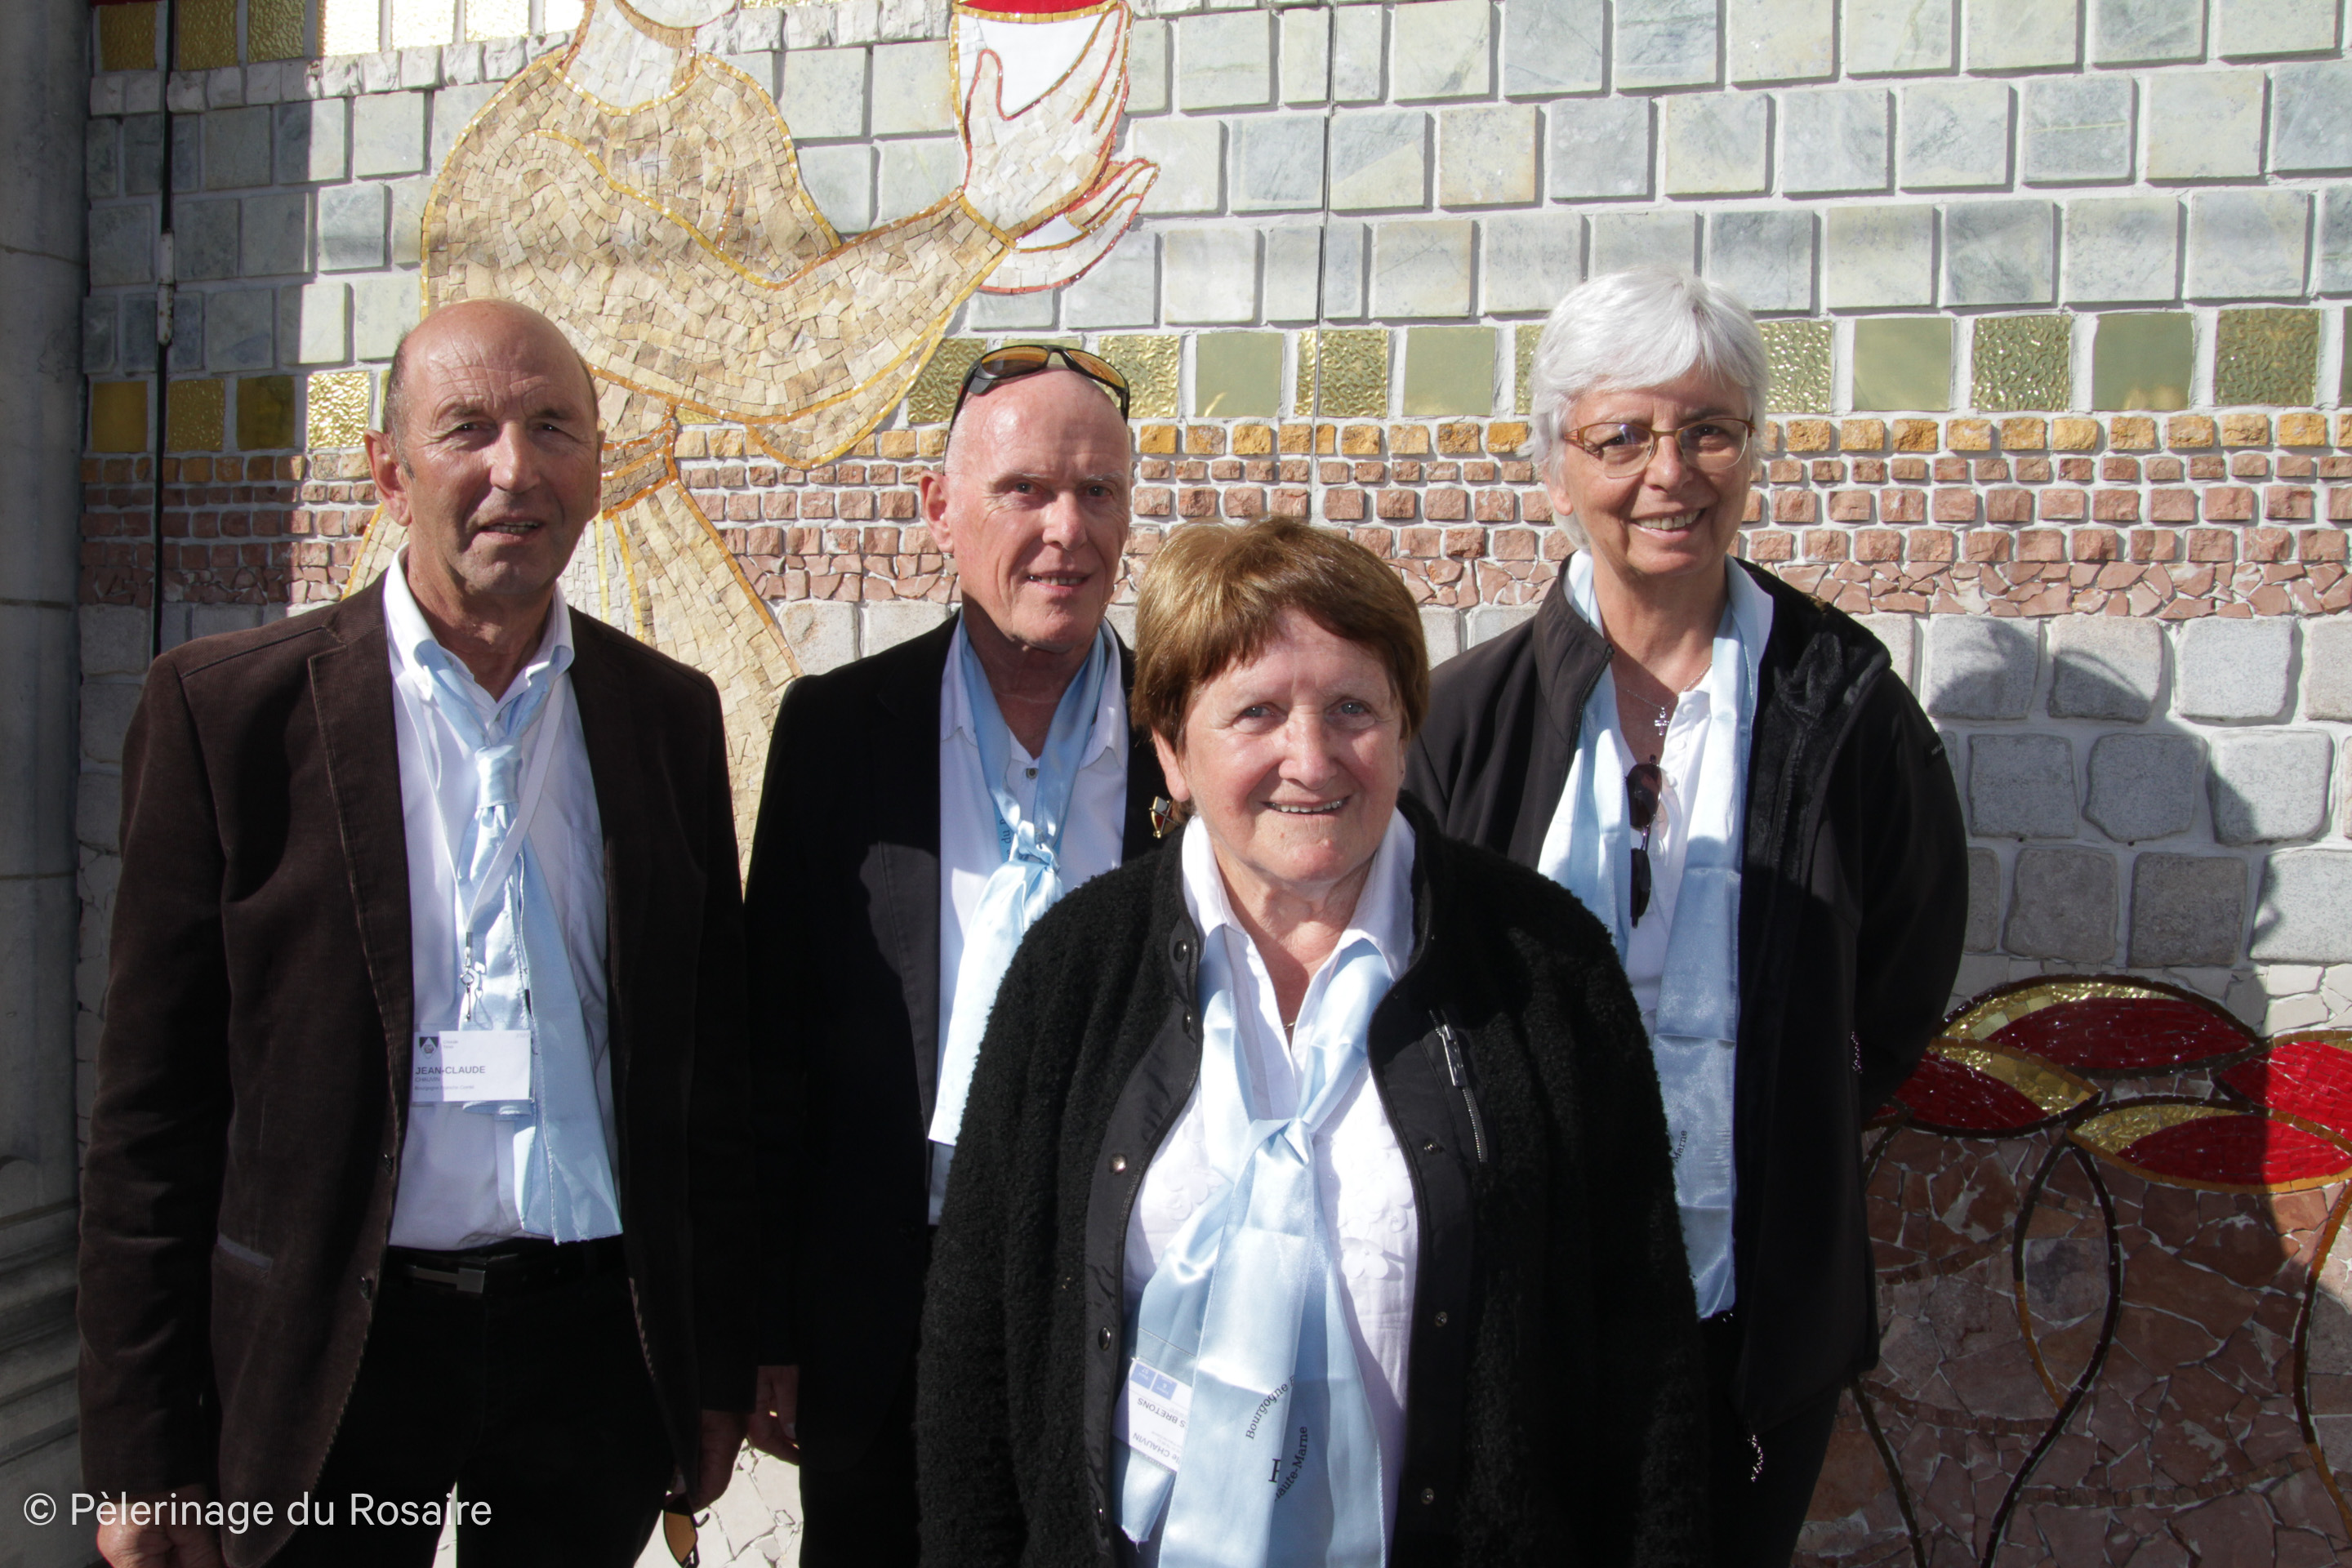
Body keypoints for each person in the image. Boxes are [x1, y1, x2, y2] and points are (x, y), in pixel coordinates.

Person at [77, 299, 755, 1568]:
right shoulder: (230, 717)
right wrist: (143, 1455)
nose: (516, 468)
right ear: (390, 472)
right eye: (468, 430)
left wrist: (712, 1369)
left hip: (590, 1355)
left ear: (599, 465)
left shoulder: (665, 714)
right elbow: (151, 1119)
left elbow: (710, 1075)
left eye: (553, 427)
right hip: (334, 1357)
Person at [919, 518, 1710, 1566]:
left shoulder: (1545, 968)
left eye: (1352, 709)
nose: (1312, 758)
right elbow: (974, 1359)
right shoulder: (1072, 972)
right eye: (1256, 712)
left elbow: (1647, 1362)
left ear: (1405, 726)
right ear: (1173, 751)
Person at [1405, 267, 1969, 1567]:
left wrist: (1783, 1103)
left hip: (1750, 1318)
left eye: (1710, 430)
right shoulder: (1463, 720)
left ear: (1751, 452)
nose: (1671, 472)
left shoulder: (1847, 708)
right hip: (1512, 1309)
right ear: (1558, 466)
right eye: (1623, 436)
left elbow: (1899, 981)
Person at [742, 345, 1169, 1566]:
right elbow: (770, 1042)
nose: (1065, 530)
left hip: (1123, 1306)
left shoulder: (1189, 734)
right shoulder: (838, 732)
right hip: (888, 1313)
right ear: (940, 509)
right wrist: (767, 1323)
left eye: (1097, 493)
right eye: (1024, 489)